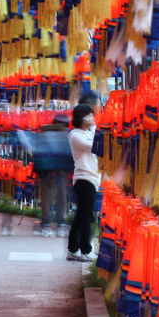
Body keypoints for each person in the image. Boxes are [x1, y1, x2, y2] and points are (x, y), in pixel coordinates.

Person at [32, 115, 74, 237]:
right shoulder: (68, 133)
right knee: (61, 192)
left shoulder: (44, 132)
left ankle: (46, 223)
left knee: (46, 192)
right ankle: (61, 223)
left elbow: (38, 149)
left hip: (45, 165)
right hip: (62, 165)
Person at [67, 104, 100, 262]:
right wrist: (93, 127)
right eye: (90, 116)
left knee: (81, 216)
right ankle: (85, 251)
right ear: (82, 117)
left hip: (91, 179)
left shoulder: (86, 133)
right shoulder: (75, 134)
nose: (93, 119)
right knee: (86, 216)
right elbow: (94, 146)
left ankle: (73, 249)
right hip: (84, 179)